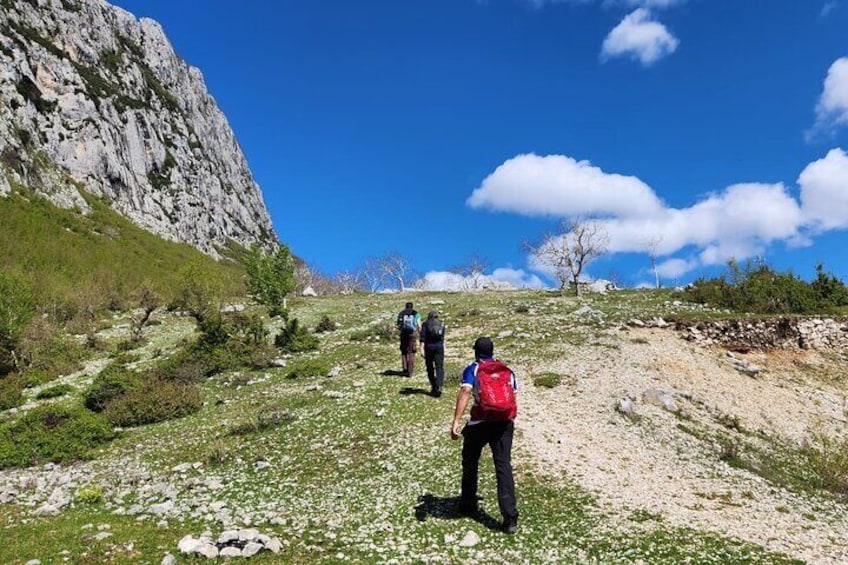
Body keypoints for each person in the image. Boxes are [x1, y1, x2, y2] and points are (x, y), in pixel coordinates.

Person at [451, 336, 519, 533]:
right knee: (503, 466)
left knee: (470, 460)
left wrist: (456, 420)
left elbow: (465, 391)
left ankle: (468, 503)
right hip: (504, 423)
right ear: (492, 350)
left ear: (476, 351)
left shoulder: (473, 369)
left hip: (479, 423)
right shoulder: (506, 370)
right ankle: (510, 518)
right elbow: (513, 397)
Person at [419, 310, 446, 397]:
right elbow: (442, 338)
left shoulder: (425, 324)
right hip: (439, 348)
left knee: (430, 367)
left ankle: (433, 385)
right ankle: (440, 385)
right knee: (439, 367)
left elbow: (423, 338)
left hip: (429, 348)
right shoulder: (441, 324)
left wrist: (421, 349)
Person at [396, 301, 420, 378]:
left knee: (404, 351)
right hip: (412, 334)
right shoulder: (415, 313)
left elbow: (398, 325)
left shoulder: (401, 313)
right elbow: (419, 325)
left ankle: (405, 368)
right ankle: (410, 371)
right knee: (412, 351)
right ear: (412, 306)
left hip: (403, 334)